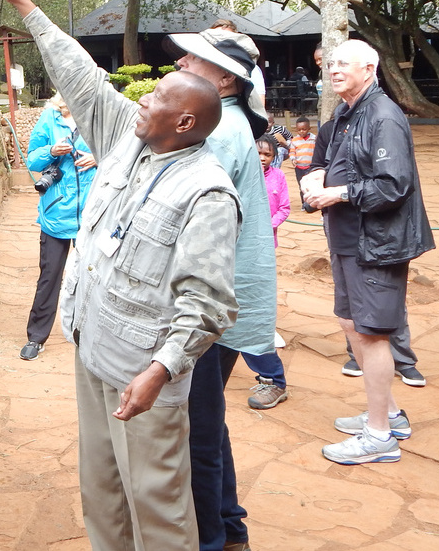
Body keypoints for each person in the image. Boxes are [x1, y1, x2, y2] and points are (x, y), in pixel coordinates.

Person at [0, 0, 241, 551]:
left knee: (156, 501)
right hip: (93, 344)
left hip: (143, 371)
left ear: (184, 121)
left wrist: (159, 371)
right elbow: (81, 76)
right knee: (101, 490)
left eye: (153, 97)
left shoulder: (205, 192)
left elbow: (207, 303)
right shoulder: (129, 136)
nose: (140, 101)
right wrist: (23, 0)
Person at [167, 29, 277, 551]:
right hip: (226, 297)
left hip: (211, 301)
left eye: (196, 58)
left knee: (197, 432)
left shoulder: (219, 134)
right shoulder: (231, 124)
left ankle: (212, 537)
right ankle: (230, 527)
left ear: (225, 80)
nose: (183, 61)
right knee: (206, 421)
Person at [302, 39, 435, 465]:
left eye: (344, 63)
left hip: (377, 242)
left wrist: (337, 192)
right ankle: (389, 413)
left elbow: (394, 186)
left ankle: (379, 437)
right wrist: (314, 178)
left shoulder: (383, 115)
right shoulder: (346, 111)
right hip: (348, 238)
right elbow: (323, 154)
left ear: (370, 68)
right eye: (331, 63)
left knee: (373, 332)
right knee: (350, 322)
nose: (334, 69)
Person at [20, 93, 97, 360]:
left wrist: (98, 159)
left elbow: (122, 154)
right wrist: (52, 151)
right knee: (49, 275)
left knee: (95, 277)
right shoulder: (49, 118)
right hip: (56, 213)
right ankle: (36, 337)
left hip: (93, 213)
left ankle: (93, 337)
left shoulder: (97, 114)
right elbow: (32, 161)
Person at [241, 135, 290, 411]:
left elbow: (284, 207)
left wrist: (265, 226)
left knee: (248, 311)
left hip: (260, 248)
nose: (261, 159)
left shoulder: (277, 178)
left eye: (267, 155)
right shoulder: (239, 174)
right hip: (232, 245)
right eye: (257, 153)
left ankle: (272, 379)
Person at [289, 116, 317, 213]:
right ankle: (303, 204)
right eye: (299, 130)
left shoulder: (314, 139)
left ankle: (312, 203)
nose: (301, 131)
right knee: (302, 186)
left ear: (309, 129)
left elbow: (317, 151)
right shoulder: (295, 140)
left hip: (310, 167)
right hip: (299, 167)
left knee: (311, 185)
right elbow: (292, 151)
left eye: (304, 129)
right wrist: (293, 159)